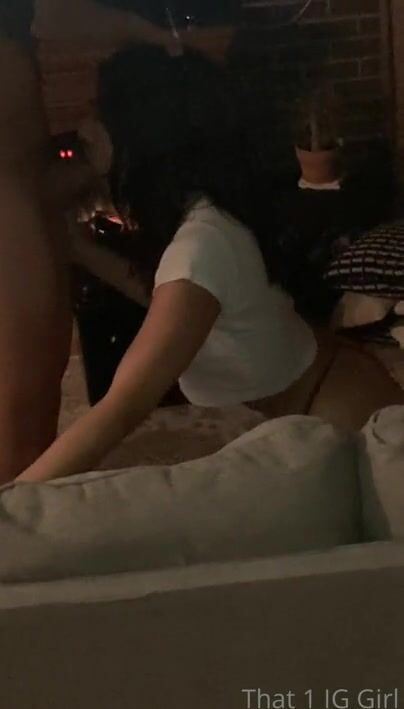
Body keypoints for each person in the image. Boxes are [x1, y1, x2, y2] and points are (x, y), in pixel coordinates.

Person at [15, 44, 404, 484]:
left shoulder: (200, 245)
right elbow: (167, 297)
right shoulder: (201, 218)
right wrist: (76, 244)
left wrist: (17, 501)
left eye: (97, 110)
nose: (84, 123)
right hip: (325, 401)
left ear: (137, 133)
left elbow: (120, 409)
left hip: (347, 419)